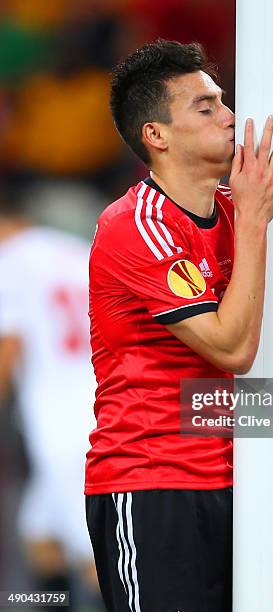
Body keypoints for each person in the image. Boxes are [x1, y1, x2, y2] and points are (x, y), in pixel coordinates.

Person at [85, 40, 273, 612]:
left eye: (224, 101)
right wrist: (256, 219)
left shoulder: (237, 209)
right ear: (157, 135)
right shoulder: (137, 225)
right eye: (206, 108)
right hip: (155, 485)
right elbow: (231, 350)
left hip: (253, 476)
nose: (231, 116)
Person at [0, 190, 102, 609]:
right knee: (40, 535)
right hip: (101, 399)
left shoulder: (12, 258)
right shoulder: (76, 251)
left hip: (61, 421)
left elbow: (9, 345)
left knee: (97, 559)